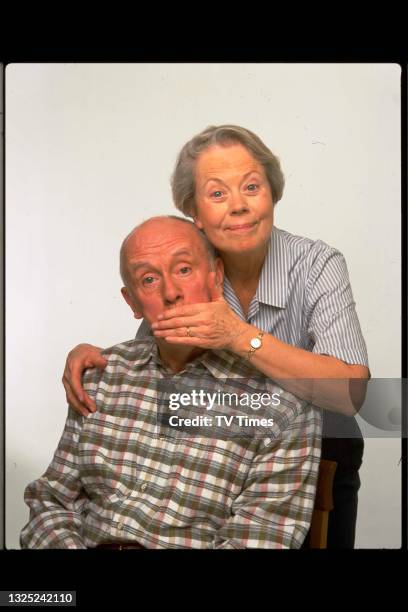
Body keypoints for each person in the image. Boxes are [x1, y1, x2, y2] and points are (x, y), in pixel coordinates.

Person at [62, 125, 370, 548]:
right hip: (216, 466)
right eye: (218, 194)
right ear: (196, 212)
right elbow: (154, 372)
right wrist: (100, 358)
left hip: (316, 453)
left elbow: (351, 394)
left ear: (273, 193)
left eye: (251, 187)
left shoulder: (316, 264)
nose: (239, 206)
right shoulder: (187, 265)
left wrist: (238, 336)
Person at [20, 216, 321, 549]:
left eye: (184, 270)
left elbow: (261, 540)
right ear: (132, 301)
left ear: (216, 277)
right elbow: (51, 503)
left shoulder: (281, 406)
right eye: (148, 279)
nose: (171, 293)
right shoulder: (101, 377)